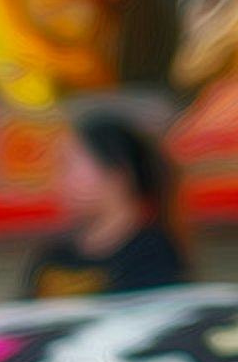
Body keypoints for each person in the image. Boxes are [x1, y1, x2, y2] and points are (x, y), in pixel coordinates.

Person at [26, 113, 188, 297]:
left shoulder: (153, 255)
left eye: (67, 166)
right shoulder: (54, 256)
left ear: (117, 175)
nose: (58, 181)